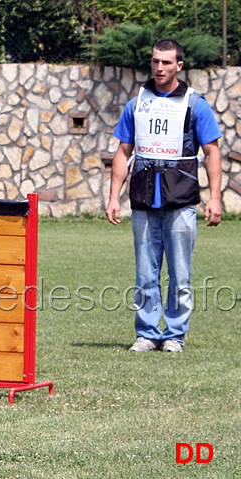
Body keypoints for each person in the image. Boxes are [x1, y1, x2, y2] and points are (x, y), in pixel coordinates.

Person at [105, 39, 222, 353]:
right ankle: (146, 333)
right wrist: (114, 197)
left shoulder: (196, 105)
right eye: (156, 61)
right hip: (143, 201)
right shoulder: (136, 104)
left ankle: (174, 335)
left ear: (179, 66)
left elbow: (212, 152)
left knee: (180, 276)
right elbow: (122, 152)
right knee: (145, 274)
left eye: (167, 62)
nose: (159, 67)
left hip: (181, 201)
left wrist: (215, 198)